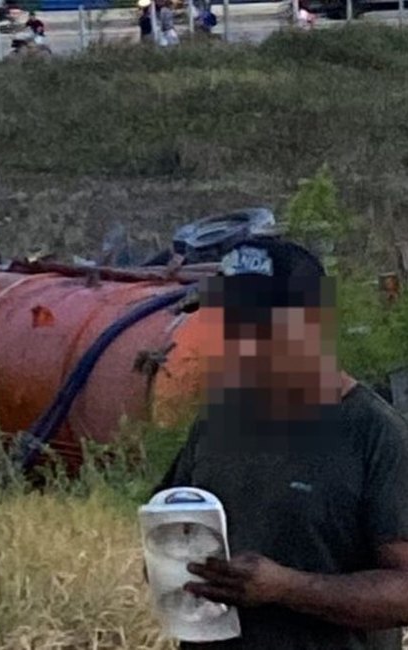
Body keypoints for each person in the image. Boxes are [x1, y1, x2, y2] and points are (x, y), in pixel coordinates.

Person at [152, 237, 408, 649]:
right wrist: (169, 564)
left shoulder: (376, 435)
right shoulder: (219, 421)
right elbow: (169, 526)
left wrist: (286, 588)